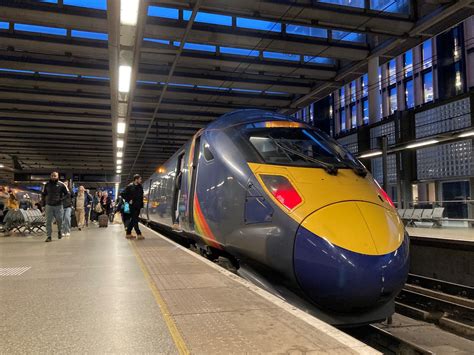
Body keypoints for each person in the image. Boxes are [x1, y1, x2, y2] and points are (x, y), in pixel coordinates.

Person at [42, 172, 68, 242]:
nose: (53, 177)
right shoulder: (46, 185)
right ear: (50, 176)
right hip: (49, 205)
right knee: (48, 221)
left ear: (58, 176)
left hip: (58, 206)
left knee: (59, 220)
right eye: (52, 176)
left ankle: (60, 231)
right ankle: (49, 236)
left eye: (55, 176)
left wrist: (61, 199)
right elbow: (43, 195)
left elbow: (67, 194)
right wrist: (43, 205)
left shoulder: (61, 185)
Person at [123, 174, 144, 240]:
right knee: (135, 219)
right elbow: (122, 194)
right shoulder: (130, 186)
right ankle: (139, 233)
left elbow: (141, 196)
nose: (141, 180)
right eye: (140, 179)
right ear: (136, 179)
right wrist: (129, 200)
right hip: (132, 206)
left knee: (133, 220)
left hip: (138, 206)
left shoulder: (140, 186)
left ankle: (128, 233)